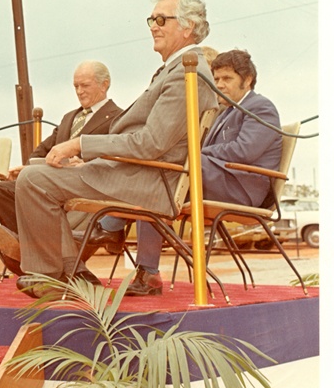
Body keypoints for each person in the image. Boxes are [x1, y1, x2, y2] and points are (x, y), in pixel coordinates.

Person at [0, 0, 217, 298]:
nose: (153, 26)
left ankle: (52, 274)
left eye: (160, 19)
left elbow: (151, 143)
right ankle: (73, 272)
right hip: (136, 171)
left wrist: (80, 145)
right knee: (38, 168)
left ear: (188, 27)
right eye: (151, 19)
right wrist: (88, 160)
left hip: (150, 180)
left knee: (35, 179)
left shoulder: (186, 72)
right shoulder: (176, 69)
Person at [83, 49, 283, 295]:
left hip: (242, 188)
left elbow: (244, 151)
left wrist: (193, 157)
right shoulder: (225, 110)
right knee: (156, 180)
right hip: (220, 177)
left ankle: (110, 226)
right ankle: (147, 272)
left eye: (227, 79)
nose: (220, 84)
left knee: (165, 167)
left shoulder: (261, 107)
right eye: (216, 79)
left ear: (248, 79)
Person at [0, 61, 122, 276]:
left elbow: (116, 157)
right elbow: (42, 150)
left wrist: (86, 163)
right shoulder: (70, 118)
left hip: (83, 183)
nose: (79, 91)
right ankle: (35, 249)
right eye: (75, 86)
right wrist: (27, 168)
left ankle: (30, 252)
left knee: (37, 193)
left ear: (104, 85)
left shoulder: (118, 117)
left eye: (85, 85)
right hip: (48, 181)